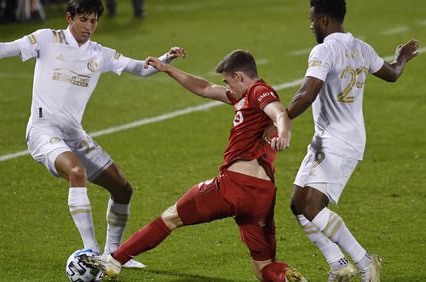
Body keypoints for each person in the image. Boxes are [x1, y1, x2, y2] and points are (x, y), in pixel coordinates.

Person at [0, 0, 185, 268]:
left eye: (93, 21)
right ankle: (91, 251)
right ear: (69, 17)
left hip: (74, 134)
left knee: (122, 189)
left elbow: (140, 68)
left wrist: (166, 59)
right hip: (42, 130)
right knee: (76, 173)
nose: (89, 26)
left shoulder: (100, 53)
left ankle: (113, 254)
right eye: (83, 19)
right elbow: (5, 50)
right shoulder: (47, 39)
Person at [82, 50, 307, 282]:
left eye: (228, 82)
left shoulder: (259, 91)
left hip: (234, 187)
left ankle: (114, 260)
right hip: (261, 196)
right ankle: (286, 277)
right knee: (264, 268)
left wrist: (284, 134)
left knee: (171, 217)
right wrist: (169, 69)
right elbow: (204, 88)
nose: (226, 88)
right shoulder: (242, 97)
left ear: (240, 77)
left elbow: (280, 112)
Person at [285, 0, 419, 281]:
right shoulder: (362, 47)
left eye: (312, 20)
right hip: (328, 139)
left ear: (324, 20)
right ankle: (338, 264)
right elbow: (392, 73)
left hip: (338, 140)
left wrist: (280, 119)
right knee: (298, 204)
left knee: (312, 207)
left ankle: (364, 262)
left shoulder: (324, 49)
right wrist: (402, 57)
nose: (309, 25)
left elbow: (306, 93)